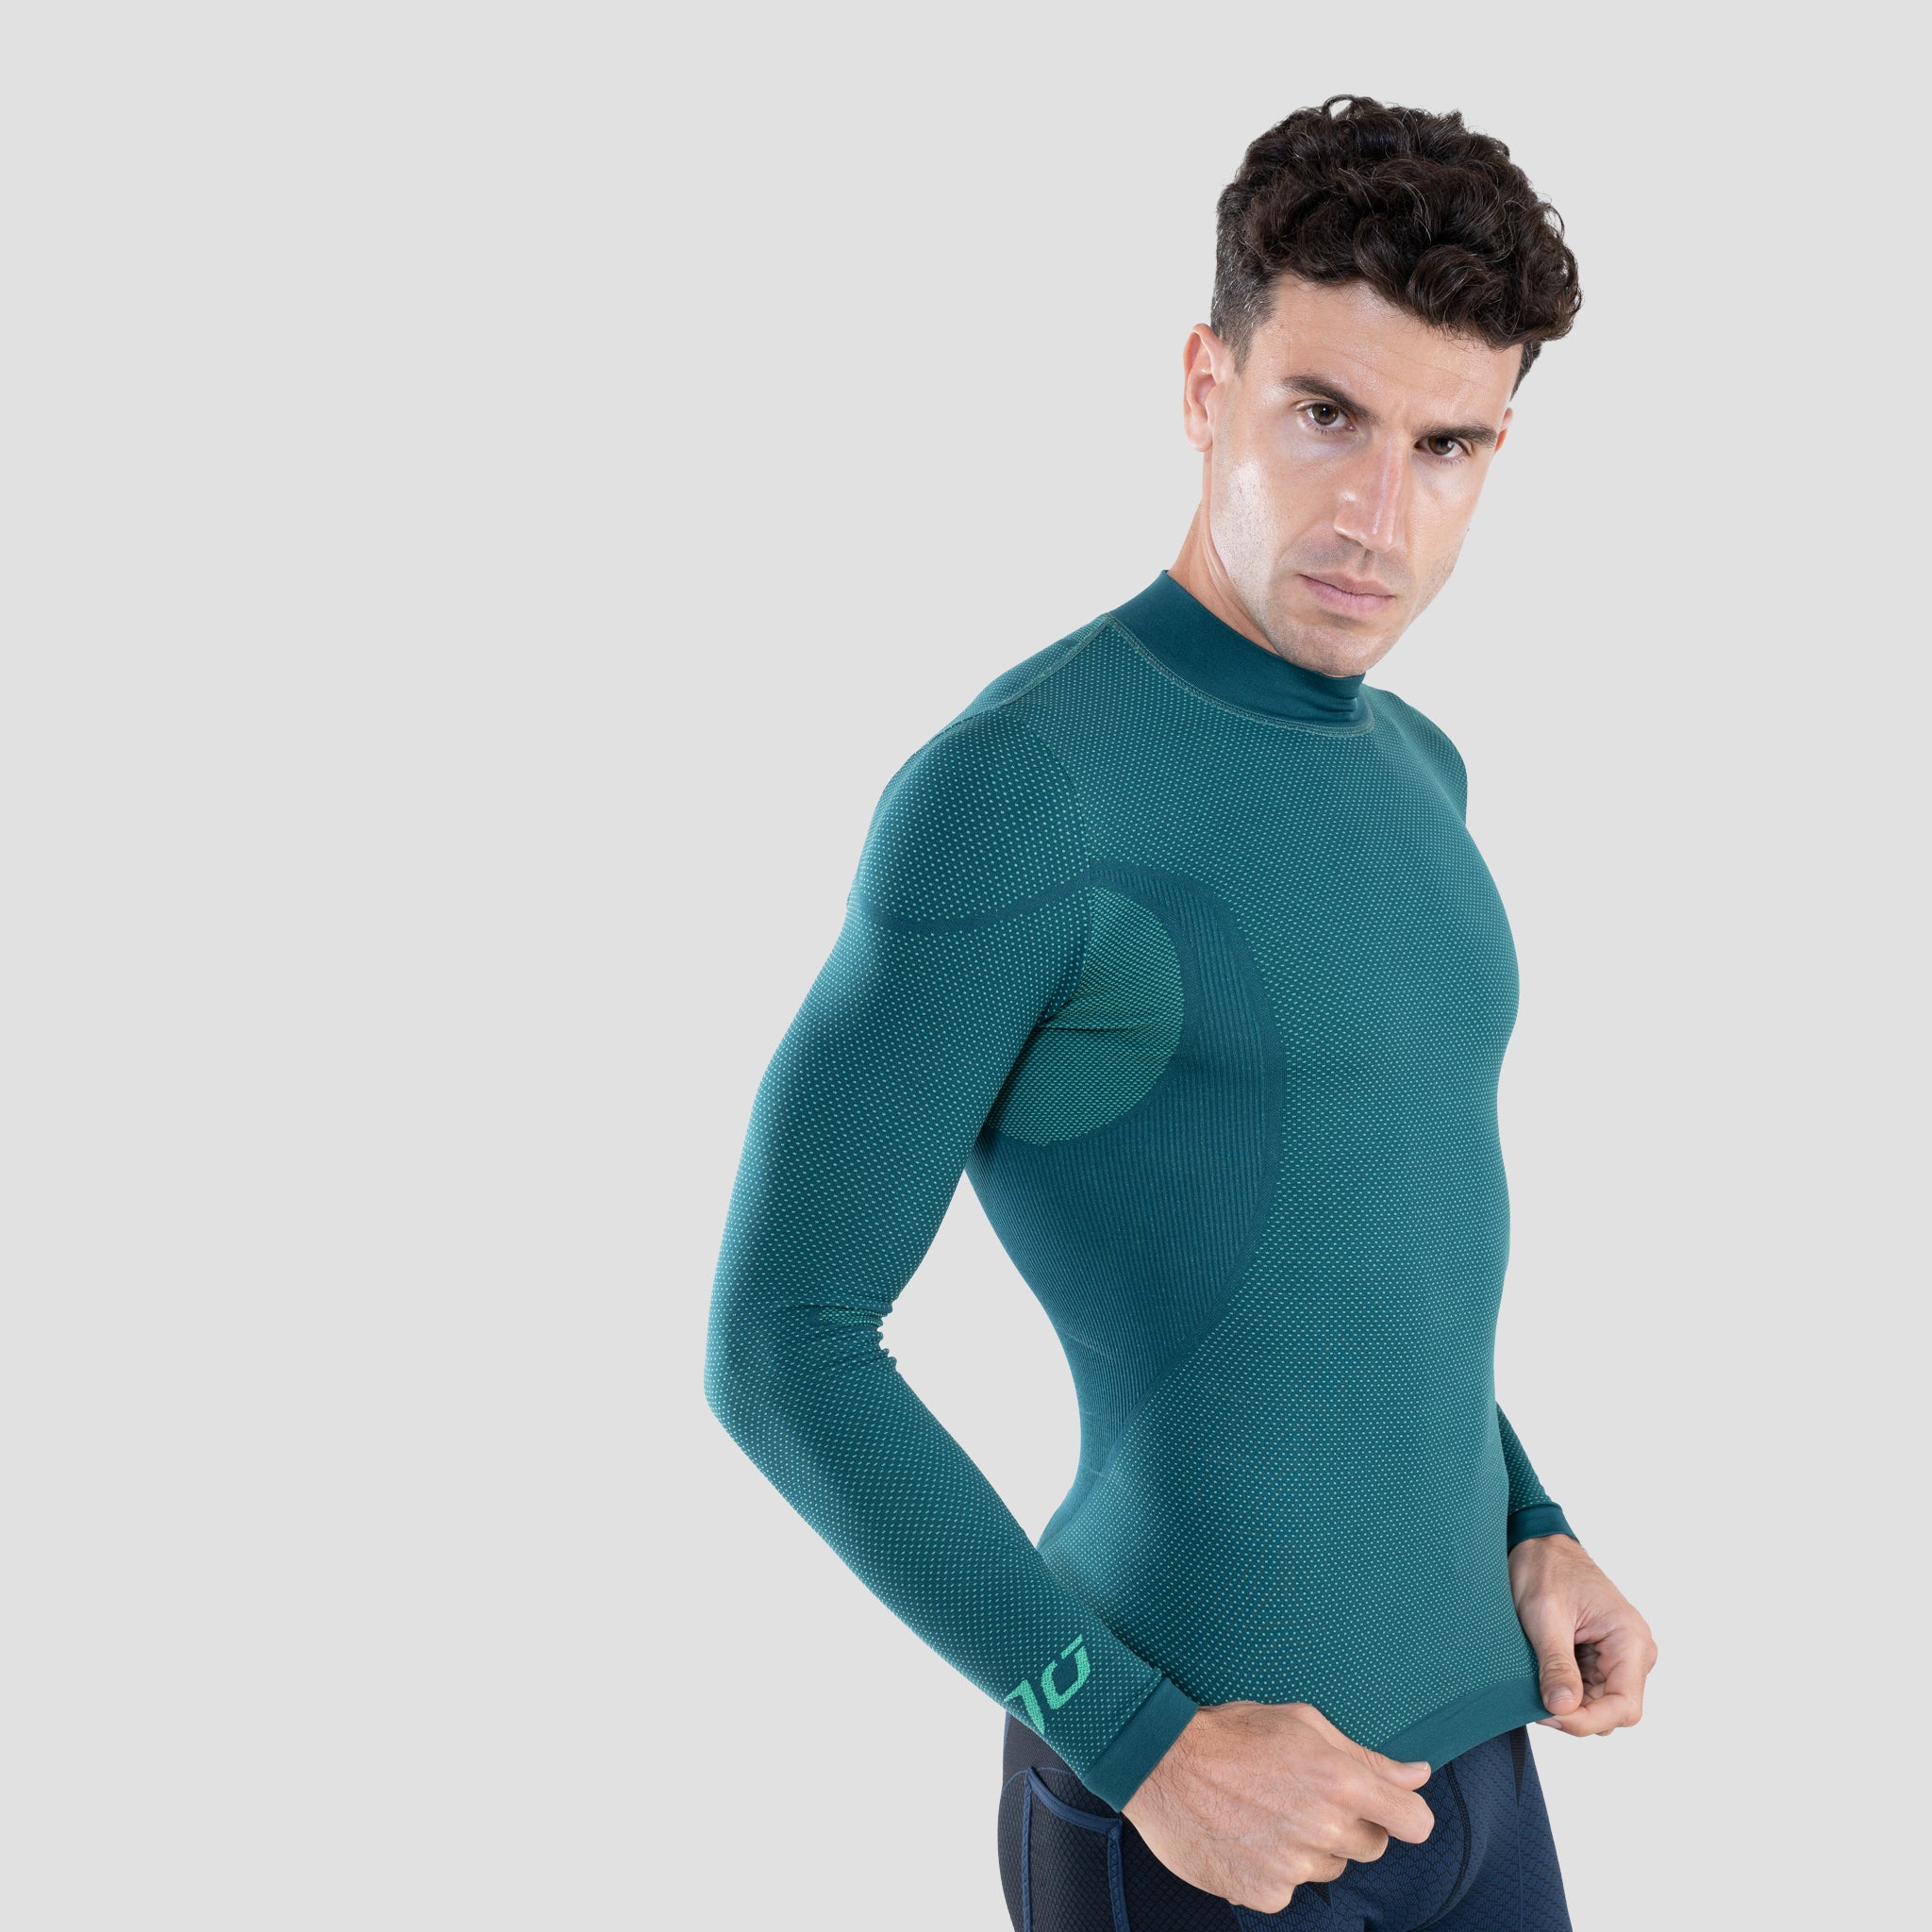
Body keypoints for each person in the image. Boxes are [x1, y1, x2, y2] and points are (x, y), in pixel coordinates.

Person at [703, 95, 1657, 1931]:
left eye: (1447, 445)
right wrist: (1137, 1741)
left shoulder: (1421, 770)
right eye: (1326, 415)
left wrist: (1527, 1520)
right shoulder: (1018, 791)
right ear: (1207, 383)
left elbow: (1361, 1249)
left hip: (1478, 1757)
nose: (1377, 515)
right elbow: (781, 1336)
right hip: (1197, 1819)